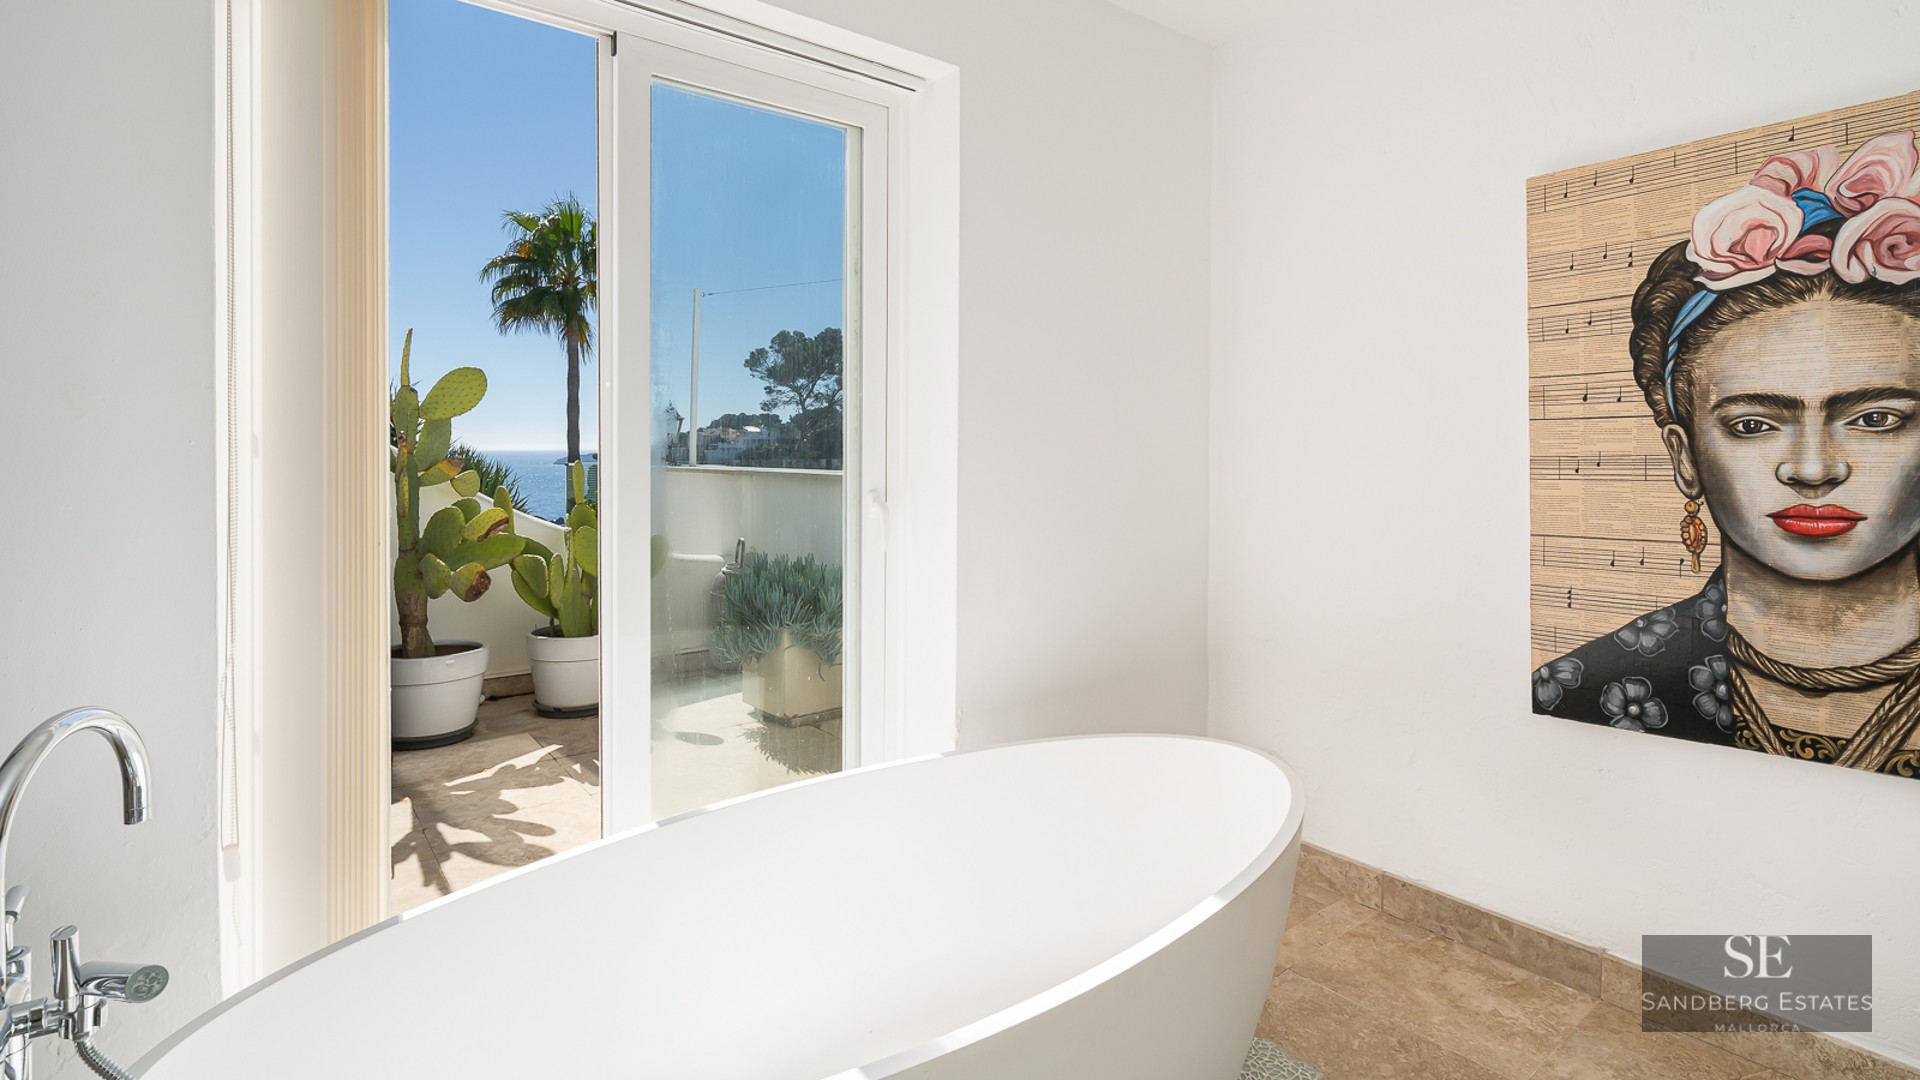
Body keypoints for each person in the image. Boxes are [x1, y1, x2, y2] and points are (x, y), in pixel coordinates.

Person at [1533, 131, 1920, 780]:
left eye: (1875, 419)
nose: (1813, 469)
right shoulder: (1581, 688)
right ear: (1685, 456)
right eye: (1753, 424)